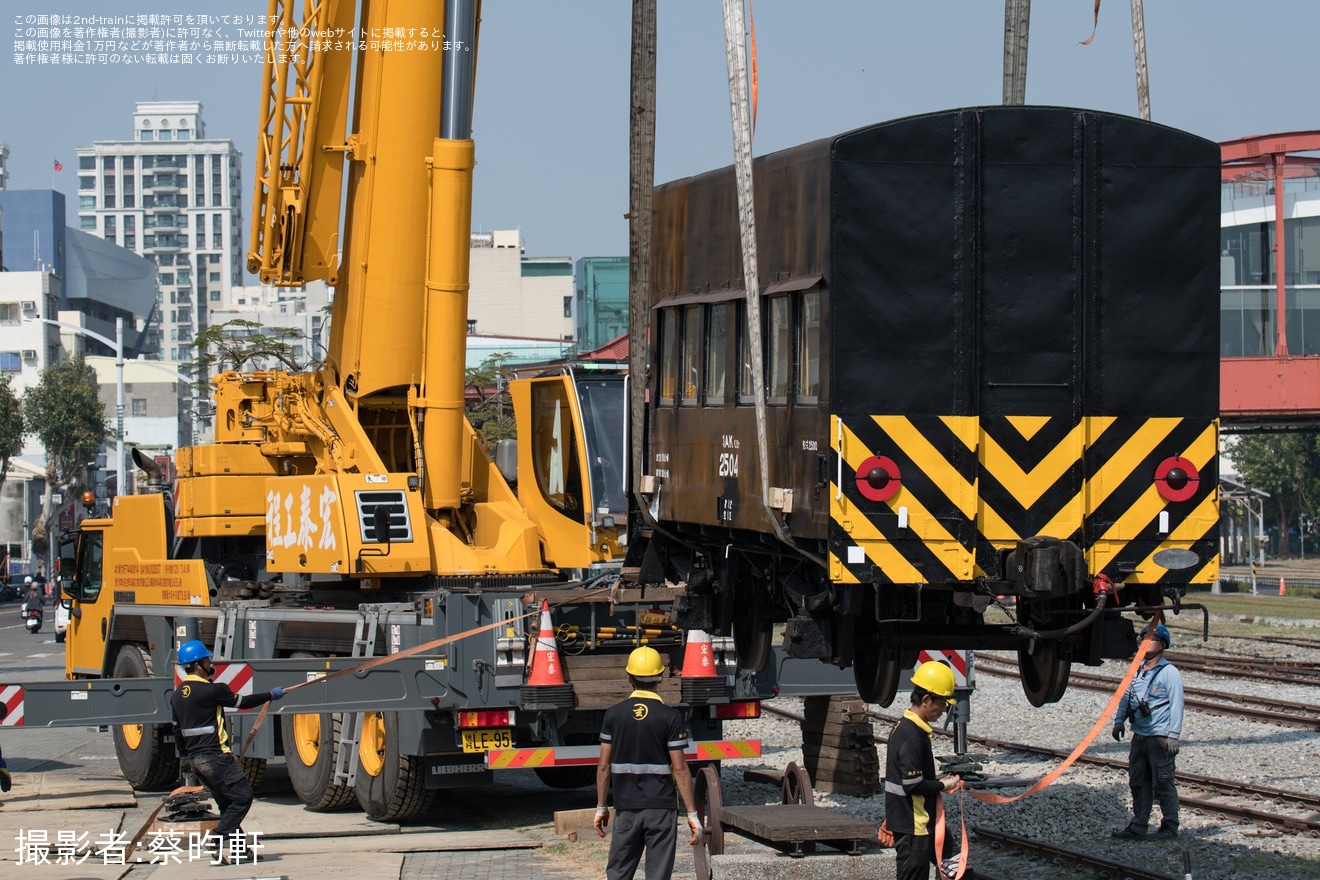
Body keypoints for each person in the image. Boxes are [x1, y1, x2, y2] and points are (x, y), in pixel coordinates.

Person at [170, 639, 285, 863]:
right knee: (243, 798)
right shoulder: (212, 690)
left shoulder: (176, 695)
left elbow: (176, 730)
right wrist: (271, 695)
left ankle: (241, 851)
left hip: (196, 760)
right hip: (216, 757)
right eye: (207, 659)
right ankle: (216, 837)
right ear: (197, 664)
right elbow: (243, 701)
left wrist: (185, 757)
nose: (210, 662)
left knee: (227, 804)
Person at [593, 646, 702, 880]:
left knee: (618, 874)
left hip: (626, 809)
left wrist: (601, 807)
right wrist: (692, 813)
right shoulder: (670, 717)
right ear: (661, 678)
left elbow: (603, 766)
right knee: (658, 874)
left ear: (629, 677)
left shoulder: (613, 715)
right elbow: (681, 769)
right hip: (662, 810)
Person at [885, 660, 963, 880]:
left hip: (922, 822)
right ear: (926, 700)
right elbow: (912, 785)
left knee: (956, 866)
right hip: (915, 827)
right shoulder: (912, 737)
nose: (944, 709)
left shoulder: (907, 728)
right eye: (943, 703)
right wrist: (943, 784)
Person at [1111, 623, 1184, 840]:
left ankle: (1170, 826)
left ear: (1163, 645)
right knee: (1138, 781)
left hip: (1159, 737)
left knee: (1162, 782)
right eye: (1143, 637)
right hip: (1140, 735)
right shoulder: (1137, 671)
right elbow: (1126, 696)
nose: (1145, 641)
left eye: (1151, 637)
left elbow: (1177, 704)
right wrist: (1119, 720)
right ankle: (1138, 825)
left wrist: (1173, 735)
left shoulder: (1170, 673)